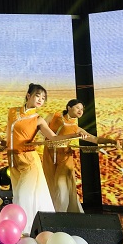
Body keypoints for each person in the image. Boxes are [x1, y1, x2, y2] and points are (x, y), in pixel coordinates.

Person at [7, 83, 87, 234]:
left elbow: (54, 138)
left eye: (43, 98)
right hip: (13, 159)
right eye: (38, 96)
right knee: (18, 194)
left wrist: (75, 135)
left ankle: (21, 228)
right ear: (28, 95)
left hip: (29, 160)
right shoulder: (12, 112)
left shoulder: (38, 119)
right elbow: (10, 134)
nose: (40, 100)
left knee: (23, 194)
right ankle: (31, 226)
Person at [42, 99, 116, 213]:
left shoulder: (76, 128)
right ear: (69, 107)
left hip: (65, 157)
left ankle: (60, 214)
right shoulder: (53, 116)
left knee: (61, 185)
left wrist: (111, 141)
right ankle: (50, 211)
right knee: (49, 184)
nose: (80, 111)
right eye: (77, 108)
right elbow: (40, 129)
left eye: (82, 109)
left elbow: (95, 139)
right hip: (49, 155)